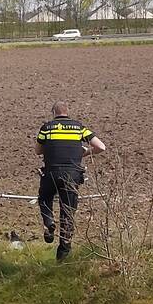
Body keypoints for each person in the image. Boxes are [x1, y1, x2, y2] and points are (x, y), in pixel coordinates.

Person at [35, 101, 107, 261]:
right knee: (68, 212)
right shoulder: (79, 127)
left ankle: (48, 222)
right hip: (72, 175)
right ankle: (63, 254)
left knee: (45, 198)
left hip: (52, 173)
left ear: (53, 113)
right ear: (67, 112)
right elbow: (101, 147)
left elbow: (38, 151)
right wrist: (84, 153)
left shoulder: (46, 127)